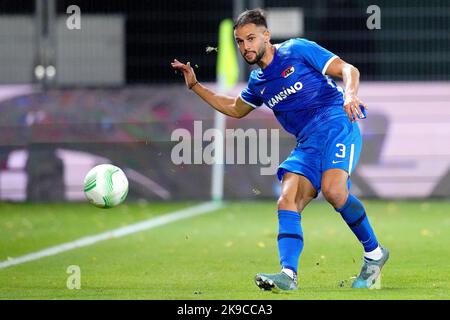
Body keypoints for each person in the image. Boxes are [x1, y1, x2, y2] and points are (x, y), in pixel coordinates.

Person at [171, 8, 389, 291]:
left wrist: (349, 94)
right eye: (239, 41)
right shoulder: (259, 82)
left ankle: (374, 254)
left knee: (334, 191)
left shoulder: (297, 50)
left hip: (337, 124)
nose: (245, 47)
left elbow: (349, 69)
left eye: (251, 38)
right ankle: (288, 275)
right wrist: (196, 86)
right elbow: (235, 109)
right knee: (287, 199)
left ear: (266, 36)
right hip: (307, 143)